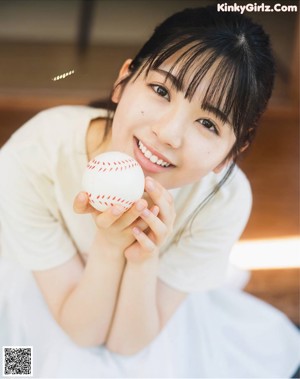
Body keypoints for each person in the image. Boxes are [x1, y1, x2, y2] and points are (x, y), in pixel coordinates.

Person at [0, 5, 299, 378]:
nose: (169, 133)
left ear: (231, 152)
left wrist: (142, 259)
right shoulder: (34, 156)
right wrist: (109, 245)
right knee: (25, 365)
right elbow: (82, 331)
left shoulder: (223, 200)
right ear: (123, 81)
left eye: (208, 123)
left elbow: (130, 343)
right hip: (42, 287)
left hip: (142, 308)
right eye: (161, 90)